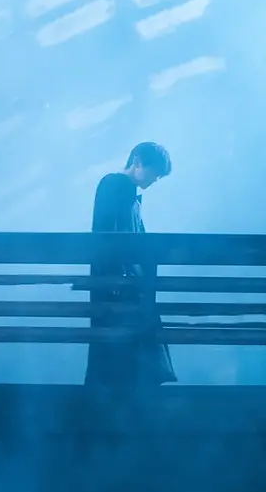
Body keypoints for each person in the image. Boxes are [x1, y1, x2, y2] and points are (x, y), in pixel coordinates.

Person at [84, 142, 177, 387]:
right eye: (154, 171)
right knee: (123, 347)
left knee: (125, 350)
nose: (155, 179)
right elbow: (108, 235)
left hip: (125, 282)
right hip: (118, 283)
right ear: (137, 161)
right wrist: (115, 277)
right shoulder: (114, 184)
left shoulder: (128, 194)